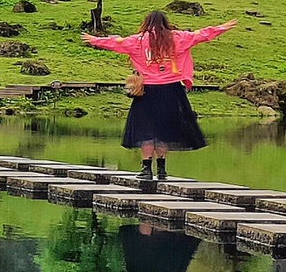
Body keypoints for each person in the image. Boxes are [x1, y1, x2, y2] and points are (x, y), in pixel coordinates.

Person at [82, 10, 237, 181]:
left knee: (146, 131)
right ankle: (162, 170)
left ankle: (146, 169)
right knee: (164, 130)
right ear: (165, 22)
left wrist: (94, 40)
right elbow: (200, 35)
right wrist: (222, 27)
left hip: (147, 91)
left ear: (146, 23)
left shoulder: (138, 41)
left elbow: (116, 42)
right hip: (171, 90)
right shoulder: (177, 38)